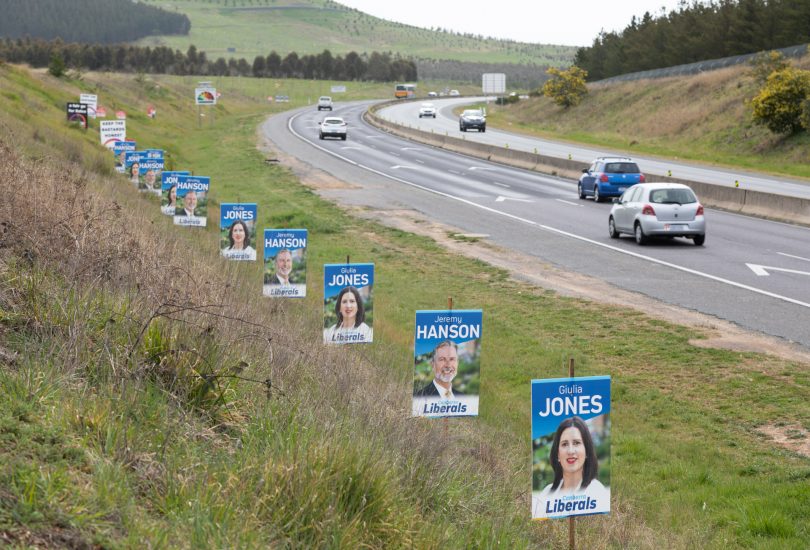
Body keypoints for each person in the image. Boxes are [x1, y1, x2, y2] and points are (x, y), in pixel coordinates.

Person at [532, 416, 609, 518]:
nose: (571, 451)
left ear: (586, 451)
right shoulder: (547, 493)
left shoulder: (597, 492)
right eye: (564, 444)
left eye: (576, 443)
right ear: (558, 454)